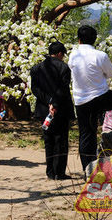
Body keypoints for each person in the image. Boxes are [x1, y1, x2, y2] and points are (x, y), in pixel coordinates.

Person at [68, 25, 112, 170]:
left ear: (79, 40)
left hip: (81, 101)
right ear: (95, 40)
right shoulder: (100, 55)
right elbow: (110, 74)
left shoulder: (73, 55)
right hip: (100, 98)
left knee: (86, 134)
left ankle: (88, 168)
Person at [30, 41, 73, 180]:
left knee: (48, 141)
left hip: (44, 110)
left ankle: (49, 171)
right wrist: (54, 103)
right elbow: (63, 89)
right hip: (60, 109)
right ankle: (59, 172)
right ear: (60, 54)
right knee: (61, 140)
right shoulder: (64, 68)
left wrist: (48, 101)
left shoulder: (36, 68)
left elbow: (35, 89)